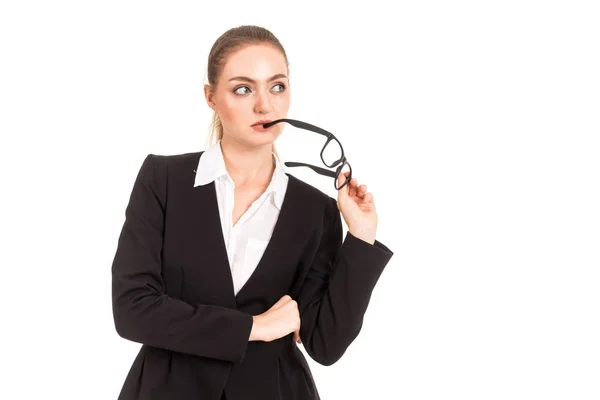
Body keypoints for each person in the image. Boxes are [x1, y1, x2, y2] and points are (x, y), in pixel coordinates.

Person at [111, 25, 394, 400]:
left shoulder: (316, 210)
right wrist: (253, 327)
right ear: (211, 97)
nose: (265, 105)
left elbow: (326, 344)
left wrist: (360, 236)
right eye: (243, 89)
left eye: (277, 86)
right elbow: (133, 309)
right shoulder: (163, 179)